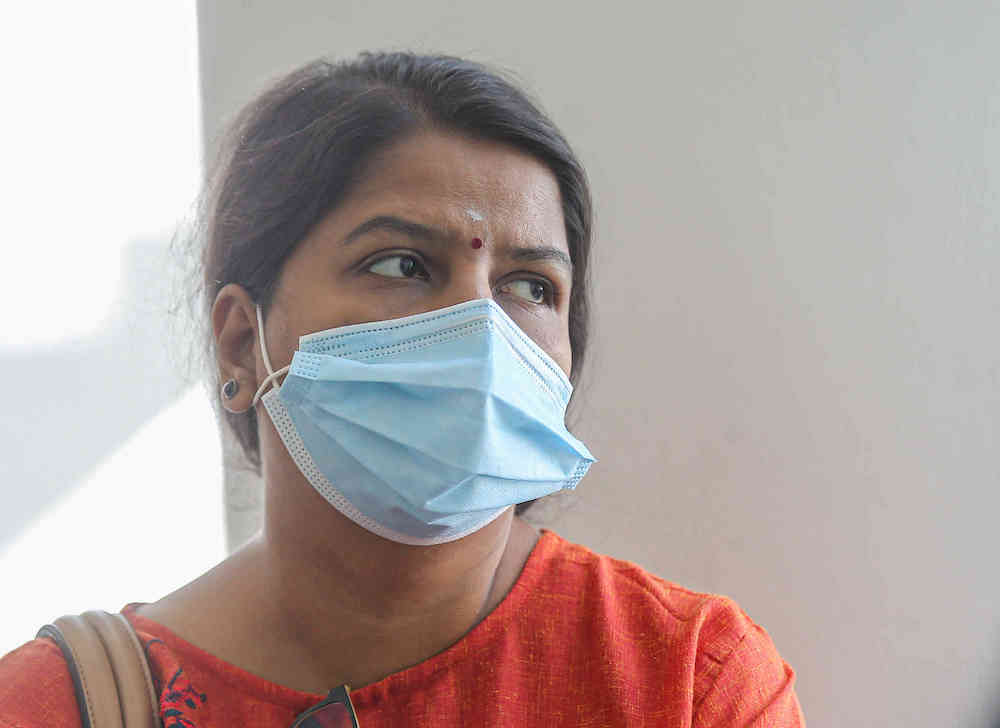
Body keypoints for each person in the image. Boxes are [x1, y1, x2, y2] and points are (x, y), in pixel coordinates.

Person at [0, 52, 806, 726]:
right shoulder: (54, 705)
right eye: (401, 265)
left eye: (530, 286)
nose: (478, 328)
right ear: (242, 340)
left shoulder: (687, 685)